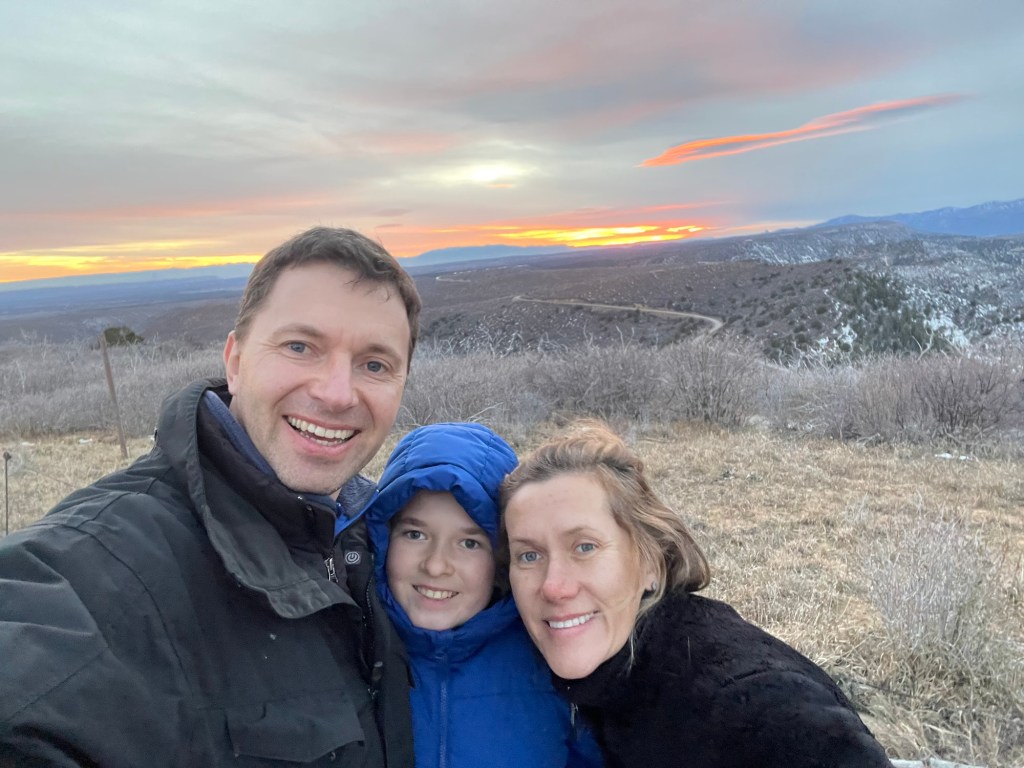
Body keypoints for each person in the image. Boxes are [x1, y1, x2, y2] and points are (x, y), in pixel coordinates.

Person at [0, 227, 421, 767]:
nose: (337, 393)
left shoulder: (382, 539)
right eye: (300, 347)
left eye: (375, 365)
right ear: (235, 361)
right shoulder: (108, 561)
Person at [500, 420, 893, 768]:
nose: (554, 586)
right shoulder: (599, 677)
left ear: (652, 563)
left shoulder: (749, 704)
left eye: (584, 547)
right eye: (529, 555)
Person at [365, 422, 602, 768]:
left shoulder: (554, 661)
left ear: (502, 560)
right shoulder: (351, 648)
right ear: (384, 539)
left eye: (469, 543)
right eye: (415, 534)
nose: (436, 566)